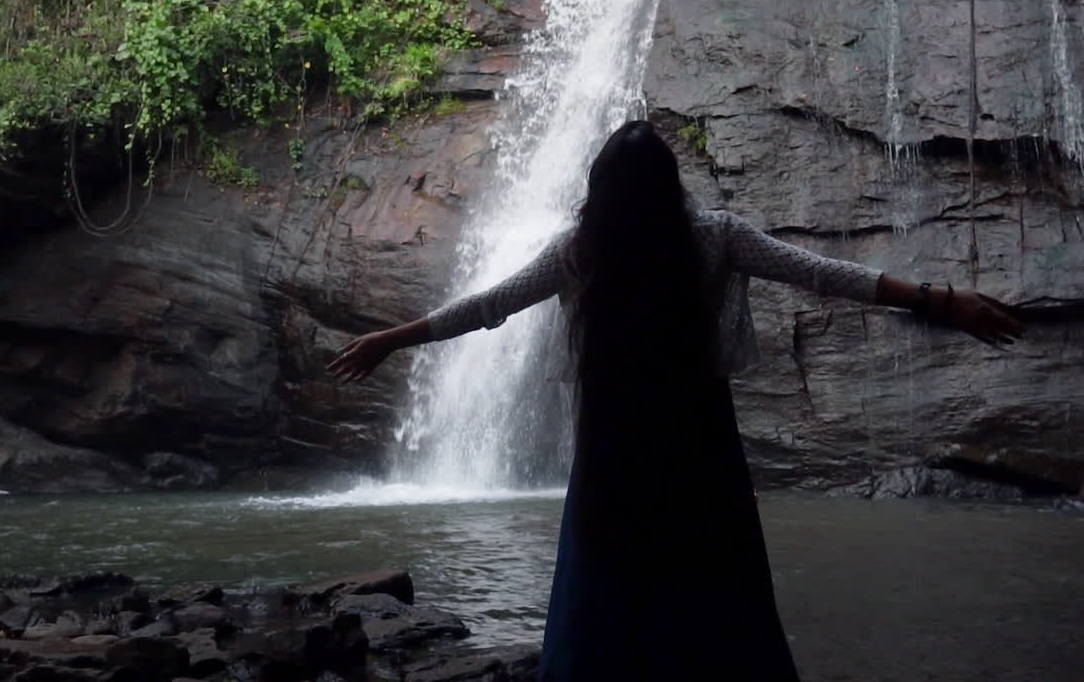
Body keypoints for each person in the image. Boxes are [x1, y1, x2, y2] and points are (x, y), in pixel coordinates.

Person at [326, 120, 1024, 680]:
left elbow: (488, 306)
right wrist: (941, 300)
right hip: (698, 439)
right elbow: (824, 275)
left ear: (598, 190)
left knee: (605, 586)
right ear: (670, 187)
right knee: (716, 578)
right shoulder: (714, 237)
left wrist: (392, 339)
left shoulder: (580, 250)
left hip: (612, 442)